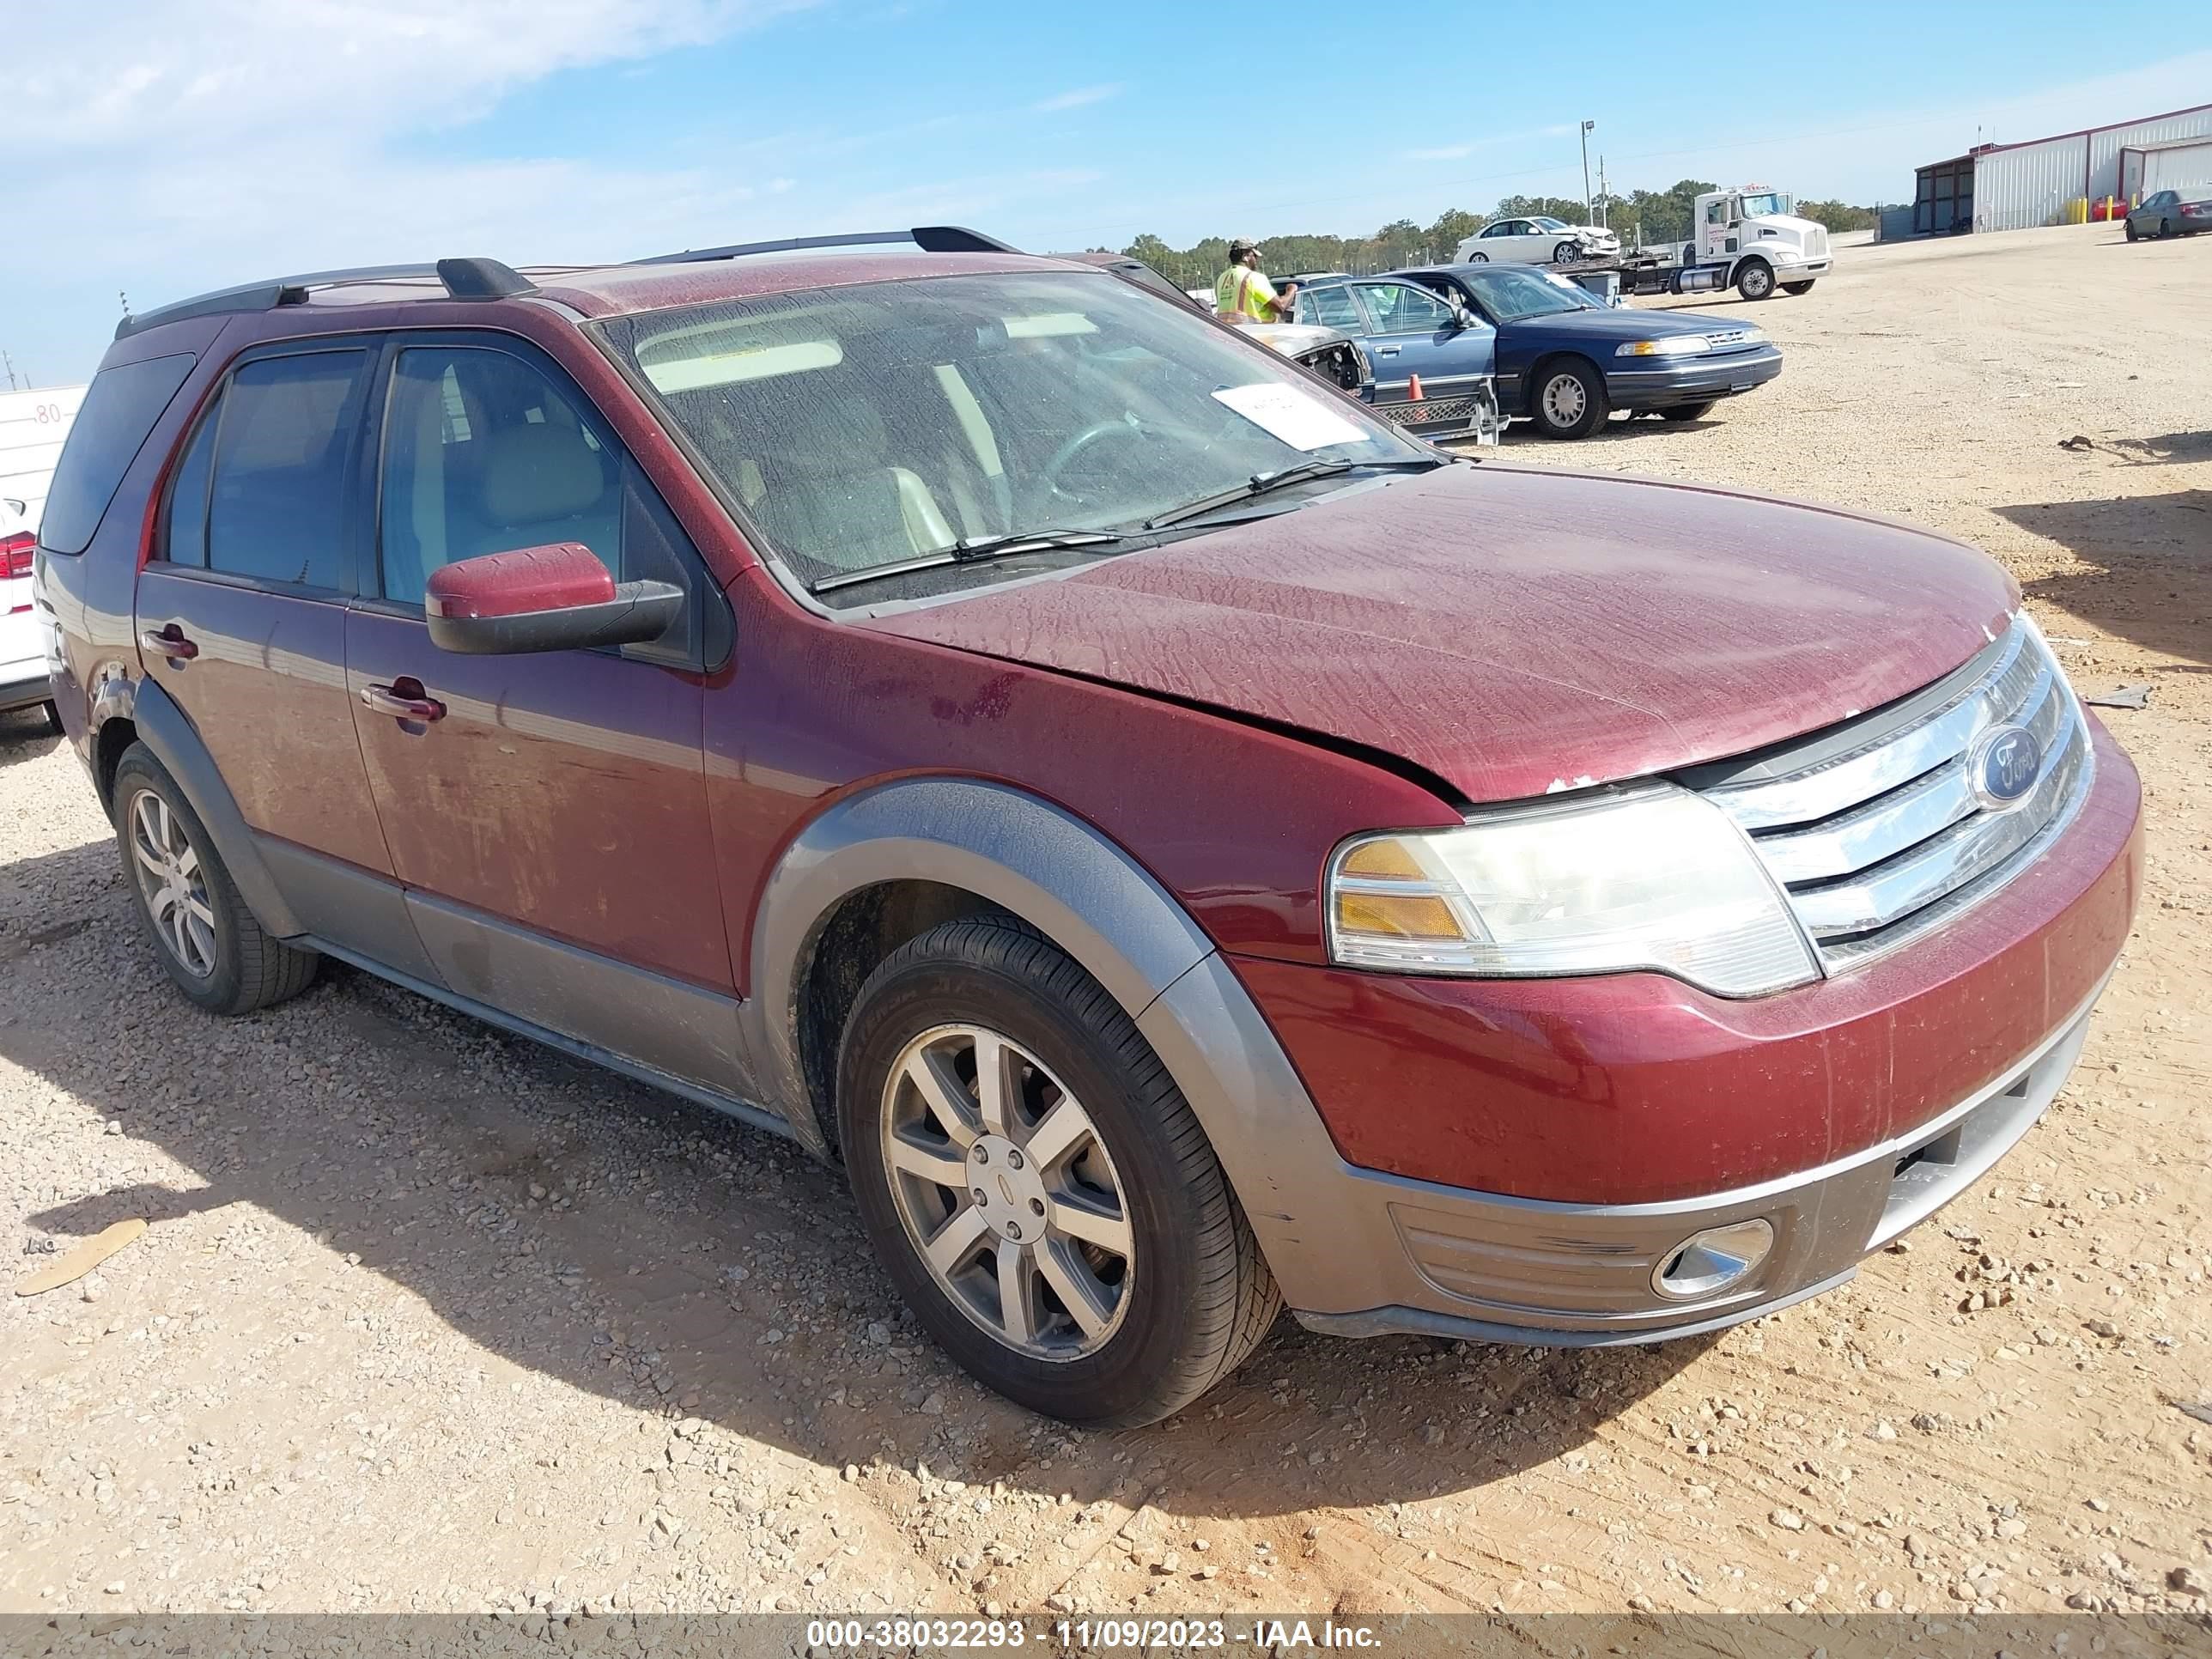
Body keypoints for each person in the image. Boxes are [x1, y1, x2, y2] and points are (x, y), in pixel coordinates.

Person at [1214, 239, 1296, 323]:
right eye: (1254, 256)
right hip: (1257, 333)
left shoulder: (1221, 279)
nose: (1256, 260)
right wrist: (1291, 290)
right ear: (1245, 256)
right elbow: (1280, 306)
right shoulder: (1253, 278)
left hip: (1229, 334)